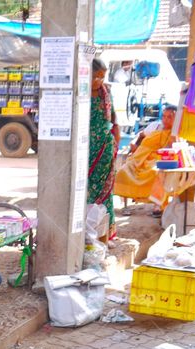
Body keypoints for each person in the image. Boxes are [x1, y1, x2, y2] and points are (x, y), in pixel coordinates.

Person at [115, 105, 177, 207]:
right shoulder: (155, 126)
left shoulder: (175, 133)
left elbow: (171, 149)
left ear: (176, 119)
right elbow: (140, 135)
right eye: (164, 116)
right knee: (123, 172)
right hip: (139, 157)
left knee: (156, 173)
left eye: (170, 117)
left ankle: (158, 204)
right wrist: (133, 144)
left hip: (157, 158)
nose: (166, 120)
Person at [89, 58, 119, 238]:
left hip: (105, 148)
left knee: (105, 193)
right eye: (96, 77)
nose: (99, 81)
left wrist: (115, 139)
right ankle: (89, 233)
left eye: (102, 77)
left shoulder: (106, 93)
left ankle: (105, 234)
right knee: (88, 193)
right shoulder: (81, 93)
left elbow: (114, 119)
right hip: (87, 149)